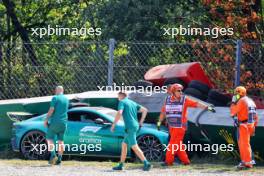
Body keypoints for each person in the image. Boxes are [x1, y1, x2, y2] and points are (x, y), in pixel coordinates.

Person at [157, 83, 215, 166]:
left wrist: (208, 107)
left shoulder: (185, 100)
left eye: (181, 90)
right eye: (178, 91)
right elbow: (163, 112)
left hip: (180, 127)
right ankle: (186, 161)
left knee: (172, 144)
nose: (181, 92)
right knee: (178, 145)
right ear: (173, 91)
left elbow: (197, 104)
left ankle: (168, 161)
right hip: (171, 127)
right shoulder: (168, 100)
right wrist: (159, 122)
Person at [111, 92, 152, 171]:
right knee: (124, 145)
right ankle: (121, 165)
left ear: (121, 96)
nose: (117, 98)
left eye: (118, 96)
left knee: (134, 146)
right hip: (134, 126)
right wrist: (141, 122)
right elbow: (145, 110)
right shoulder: (132, 102)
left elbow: (119, 112)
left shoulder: (122, 102)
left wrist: (114, 124)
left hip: (130, 127)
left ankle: (146, 163)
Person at [230, 86, 258, 169]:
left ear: (239, 93)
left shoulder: (241, 101)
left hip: (244, 125)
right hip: (250, 124)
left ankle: (246, 162)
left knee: (243, 145)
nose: (235, 95)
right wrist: (254, 126)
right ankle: (246, 162)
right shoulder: (250, 100)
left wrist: (233, 102)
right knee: (246, 144)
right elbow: (255, 115)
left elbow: (233, 111)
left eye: (236, 93)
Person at [44, 86, 69, 165]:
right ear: (63, 90)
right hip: (64, 123)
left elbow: (51, 110)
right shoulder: (66, 99)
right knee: (61, 141)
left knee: (49, 138)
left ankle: (53, 155)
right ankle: (59, 159)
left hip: (55, 122)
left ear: (56, 90)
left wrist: (46, 120)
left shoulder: (55, 98)